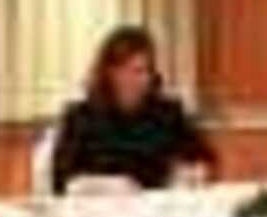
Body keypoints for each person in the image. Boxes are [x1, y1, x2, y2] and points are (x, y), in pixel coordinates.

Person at [52, 26, 216, 195]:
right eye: (135, 71)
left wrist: (193, 172)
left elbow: (203, 157)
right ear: (111, 73)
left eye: (147, 71)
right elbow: (61, 180)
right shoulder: (80, 117)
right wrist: (103, 185)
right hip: (99, 207)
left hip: (156, 204)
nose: (144, 79)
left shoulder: (167, 112)